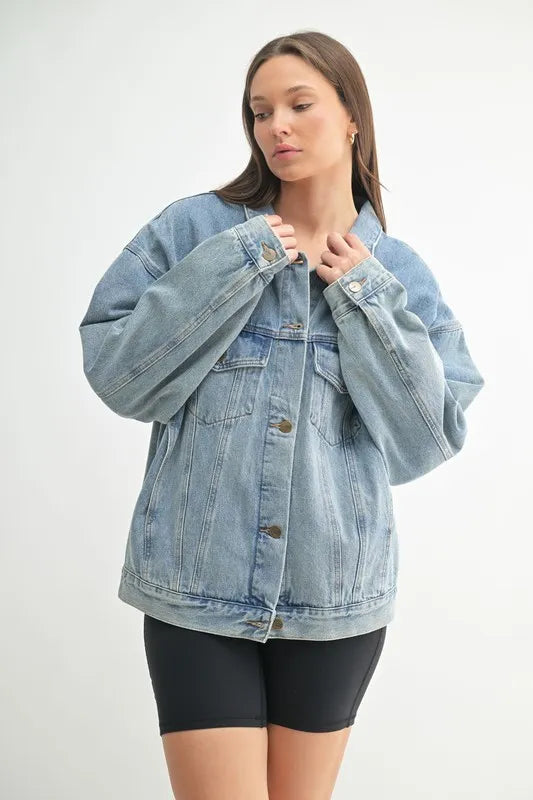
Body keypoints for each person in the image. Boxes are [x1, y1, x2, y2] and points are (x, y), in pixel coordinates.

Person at [78, 30, 484, 800]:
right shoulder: (194, 232)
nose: (276, 128)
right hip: (196, 591)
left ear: (352, 117)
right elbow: (120, 378)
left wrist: (364, 298)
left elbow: (425, 440)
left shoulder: (395, 271)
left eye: (299, 105)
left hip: (335, 600)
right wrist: (243, 260)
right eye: (260, 111)